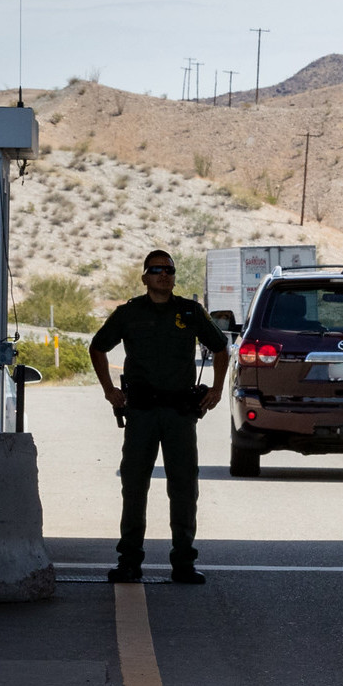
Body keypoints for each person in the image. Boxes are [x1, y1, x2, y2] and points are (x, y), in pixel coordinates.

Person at [89, 250, 228, 583]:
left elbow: (221, 347)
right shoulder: (129, 313)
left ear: (174, 276)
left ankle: (183, 563)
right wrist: (110, 390)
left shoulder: (190, 312)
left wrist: (218, 389)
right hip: (142, 412)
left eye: (169, 270)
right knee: (134, 486)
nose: (163, 275)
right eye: (156, 270)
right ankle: (129, 561)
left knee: (183, 488)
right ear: (144, 277)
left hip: (180, 414)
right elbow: (98, 347)